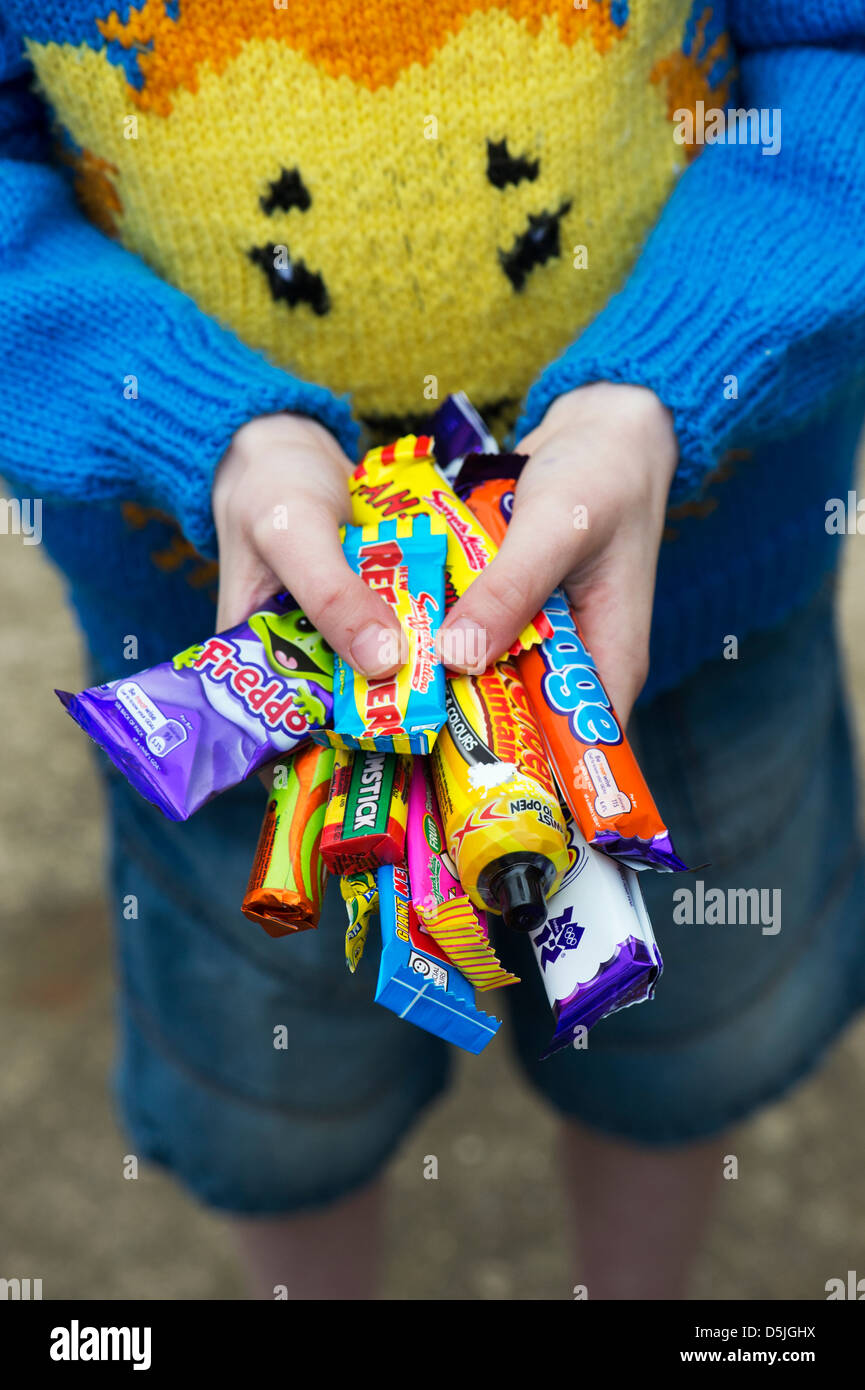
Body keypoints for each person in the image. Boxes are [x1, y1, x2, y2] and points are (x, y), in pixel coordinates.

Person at [2, 0, 864, 1300]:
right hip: (240, 672)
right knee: (275, 1097)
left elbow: (836, 53)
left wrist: (675, 369)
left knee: (696, 1034)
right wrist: (190, 420)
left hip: (693, 620)